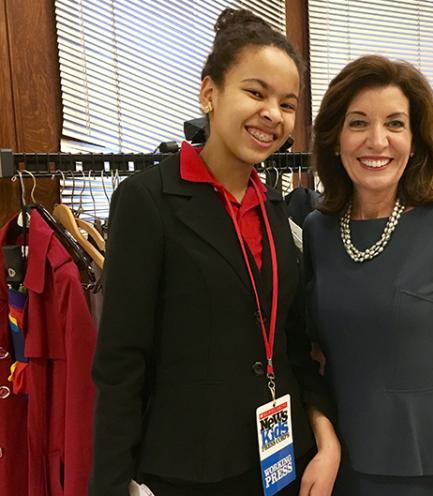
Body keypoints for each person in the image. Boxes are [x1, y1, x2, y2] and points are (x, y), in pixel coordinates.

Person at [89, 8, 340, 496]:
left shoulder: (271, 203)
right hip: (190, 471)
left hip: (280, 456)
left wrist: (326, 441)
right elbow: (120, 364)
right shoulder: (148, 200)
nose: (273, 114)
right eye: (255, 92)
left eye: (287, 104)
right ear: (210, 93)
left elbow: (289, 342)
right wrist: (110, 486)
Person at [304, 55, 433, 496]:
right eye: (358, 123)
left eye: (395, 124)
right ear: (336, 139)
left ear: (414, 142)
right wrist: (324, 438)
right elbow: (313, 353)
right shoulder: (317, 230)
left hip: (426, 468)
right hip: (338, 463)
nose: (377, 141)